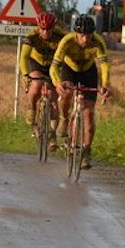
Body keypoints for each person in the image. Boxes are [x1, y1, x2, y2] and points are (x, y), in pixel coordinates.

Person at [50, 14, 112, 169]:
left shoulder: (98, 42)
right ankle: (64, 119)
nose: (86, 39)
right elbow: (54, 66)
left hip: (88, 72)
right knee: (67, 92)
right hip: (69, 69)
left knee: (89, 113)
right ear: (76, 33)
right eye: (82, 35)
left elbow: (104, 65)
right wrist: (57, 83)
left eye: (89, 35)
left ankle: (86, 151)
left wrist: (105, 84)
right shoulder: (67, 41)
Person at [18, 12, 66, 134]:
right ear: (38, 27)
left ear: (53, 27)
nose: (45, 32)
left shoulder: (61, 36)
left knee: (54, 101)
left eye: (48, 29)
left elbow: (68, 55)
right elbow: (23, 57)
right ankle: (32, 109)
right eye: (42, 29)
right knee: (35, 84)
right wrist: (25, 75)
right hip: (36, 63)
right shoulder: (32, 36)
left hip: (53, 65)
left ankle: (52, 134)